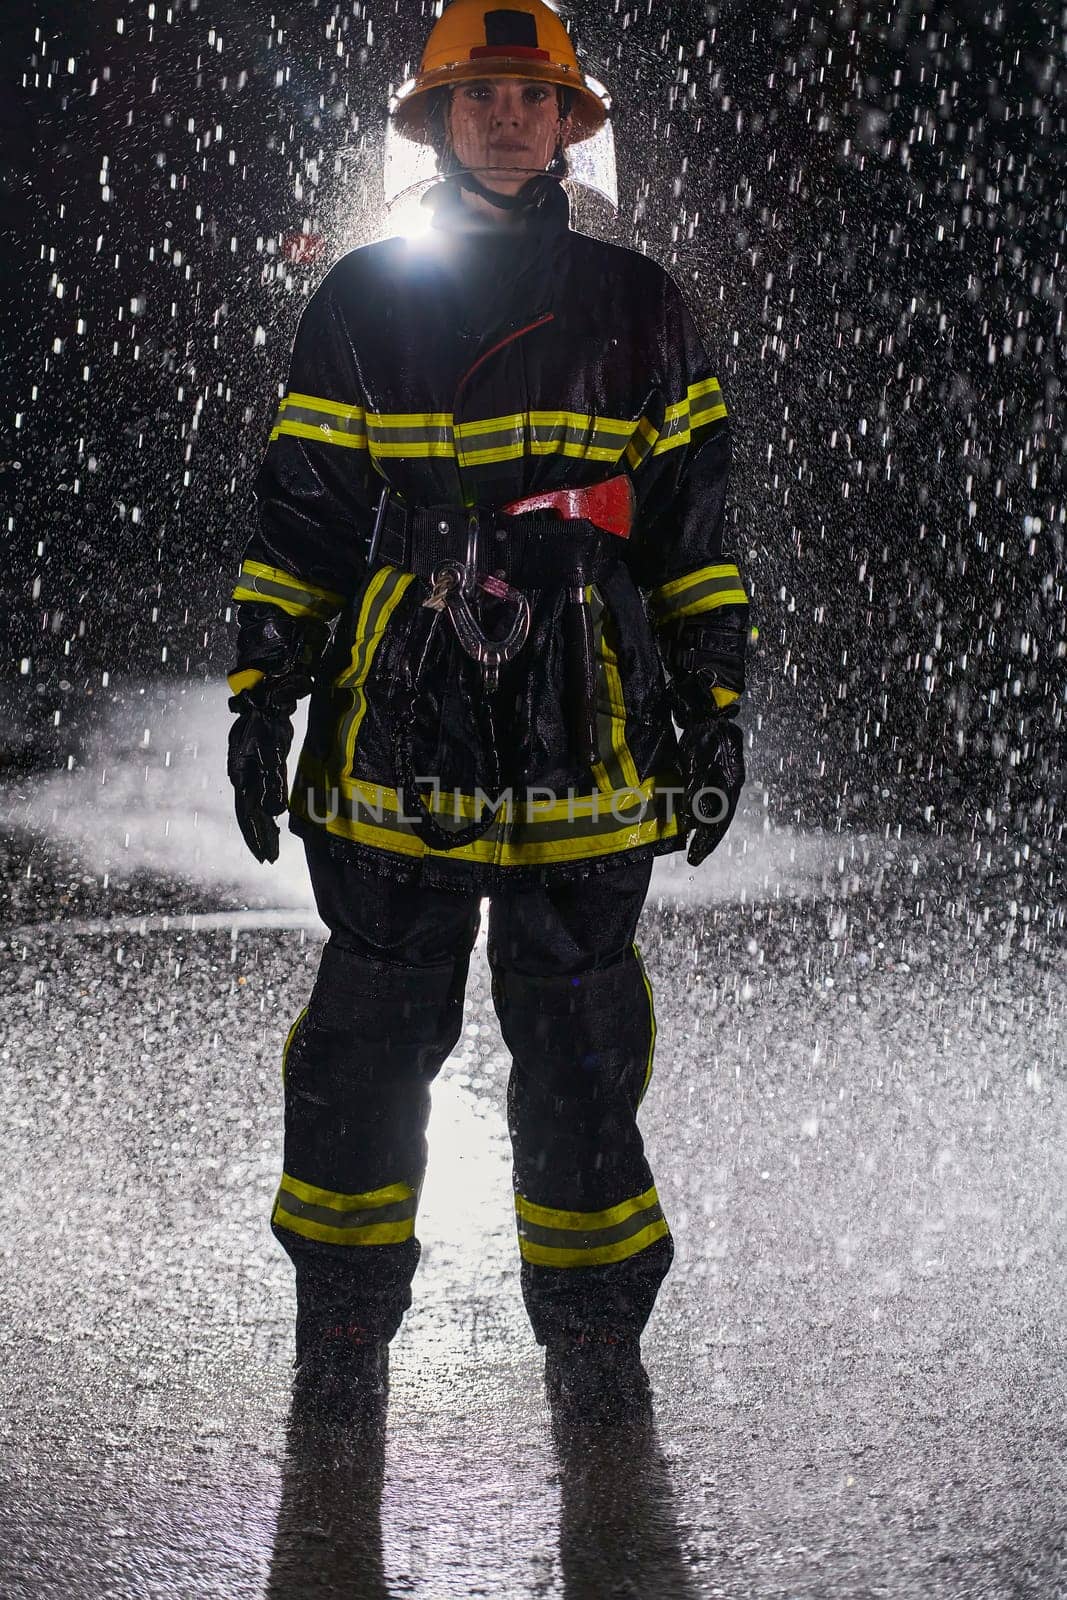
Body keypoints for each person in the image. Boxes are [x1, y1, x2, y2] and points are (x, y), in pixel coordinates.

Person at [226, 0, 749, 1428]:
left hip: (588, 707)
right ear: (441, 120)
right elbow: (307, 516)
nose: (508, 117)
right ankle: (341, 1319)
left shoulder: (640, 306)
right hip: (399, 717)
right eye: (481, 96)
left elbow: (691, 526)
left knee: (580, 1032)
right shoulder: (361, 299)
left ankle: (590, 1327)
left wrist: (713, 704)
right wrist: (264, 689)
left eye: (533, 95)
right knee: (372, 1027)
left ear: (570, 120)